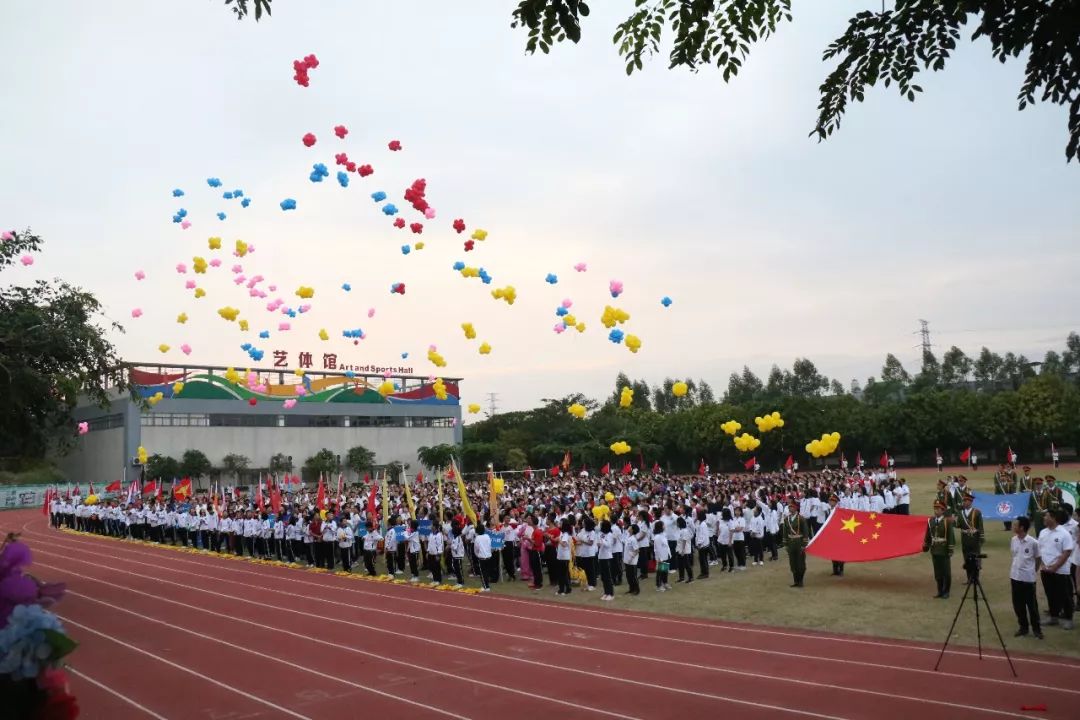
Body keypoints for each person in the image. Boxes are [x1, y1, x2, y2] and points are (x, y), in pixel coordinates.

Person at [1037, 509, 1075, 630]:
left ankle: (1069, 618)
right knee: (1050, 594)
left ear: (1053, 518)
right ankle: (1054, 616)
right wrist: (1043, 565)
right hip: (1046, 570)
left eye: (1046, 516)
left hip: (1060, 570)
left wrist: (1055, 567)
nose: (1044, 518)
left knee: (1064, 594)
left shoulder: (1064, 533)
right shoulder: (1043, 532)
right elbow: (1040, 550)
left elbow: (1067, 552)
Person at [1009, 516, 1042, 639]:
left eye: (1015, 525)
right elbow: (1014, 555)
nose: (1013, 526)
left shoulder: (1033, 542)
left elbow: (1038, 558)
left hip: (1028, 579)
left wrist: (1033, 571)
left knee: (1032, 606)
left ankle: (1037, 629)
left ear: (1022, 527)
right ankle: (1023, 627)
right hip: (1015, 577)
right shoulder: (1013, 540)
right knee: (1018, 605)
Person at [922, 500, 955, 599]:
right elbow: (928, 535)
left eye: (938, 509)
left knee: (946, 572)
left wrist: (950, 549)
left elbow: (951, 536)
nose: (936, 511)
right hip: (934, 549)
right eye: (935, 508)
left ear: (943, 510)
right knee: (938, 572)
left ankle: (946, 592)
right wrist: (926, 546)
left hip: (944, 549)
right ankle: (940, 591)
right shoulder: (931, 521)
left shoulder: (947, 522)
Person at [956, 492, 984, 584]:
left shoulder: (977, 512)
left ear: (971, 502)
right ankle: (969, 578)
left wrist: (981, 538)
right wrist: (951, 521)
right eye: (963, 501)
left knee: (976, 558)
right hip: (965, 539)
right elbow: (958, 525)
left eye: (966, 501)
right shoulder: (960, 513)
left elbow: (980, 526)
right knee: (967, 559)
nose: (964, 502)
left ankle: (976, 578)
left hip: (974, 539)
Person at [781, 498, 809, 588]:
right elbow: (785, 532)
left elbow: (805, 532)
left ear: (796, 508)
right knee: (792, 562)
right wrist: (785, 544)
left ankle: (800, 581)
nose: (790, 509)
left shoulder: (801, 519)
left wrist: (804, 544)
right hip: (790, 543)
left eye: (792, 507)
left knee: (800, 563)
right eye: (789, 507)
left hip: (799, 542)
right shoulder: (786, 519)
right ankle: (796, 581)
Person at [597, 520, 616, 600]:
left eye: (602, 526)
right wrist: (599, 542)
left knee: (608, 577)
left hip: (607, 557)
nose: (600, 527)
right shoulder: (601, 534)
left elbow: (608, 545)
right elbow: (598, 543)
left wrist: (602, 541)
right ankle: (606, 592)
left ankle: (611, 594)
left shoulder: (610, 535)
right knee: (603, 577)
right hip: (601, 556)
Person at [652, 520, 672, 591]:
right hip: (661, 557)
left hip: (666, 555)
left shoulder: (663, 535)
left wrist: (669, 554)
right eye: (663, 525)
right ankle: (658, 585)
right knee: (660, 571)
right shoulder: (657, 537)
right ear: (660, 527)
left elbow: (666, 546)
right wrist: (659, 558)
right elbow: (657, 549)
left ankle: (665, 582)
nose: (664, 526)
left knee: (665, 570)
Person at [555, 518, 573, 595]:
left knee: (564, 574)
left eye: (561, 523)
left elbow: (564, 544)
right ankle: (561, 589)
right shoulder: (562, 533)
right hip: (560, 555)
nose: (560, 524)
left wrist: (559, 540)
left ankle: (568, 588)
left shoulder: (566, 534)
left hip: (564, 557)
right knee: (560, 573)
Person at [473, 522, 493, 592]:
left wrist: (477, 555)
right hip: (489, 556)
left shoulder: (477, 538)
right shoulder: (487, 536)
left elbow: (476, 549)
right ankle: (486, 585)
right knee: (487, 572)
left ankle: (486, 587)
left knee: (483, 573)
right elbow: (490, 545)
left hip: (482, 557)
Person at [623, 523, 640, 595]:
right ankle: (631, 589)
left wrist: (631, 558)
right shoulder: (628, 537)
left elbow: (637, 550)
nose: (628, 527)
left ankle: (636, 590)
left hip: (632, 561)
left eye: (630, 527)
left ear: (632, 530)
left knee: (633, 576)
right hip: (627, 559)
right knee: (628, 576)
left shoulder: (633, 539)